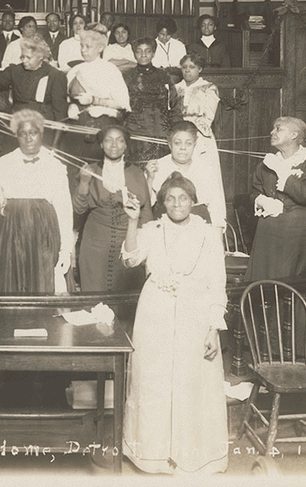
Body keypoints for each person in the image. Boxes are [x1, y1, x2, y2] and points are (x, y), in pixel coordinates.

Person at [121, 172, 228, 475]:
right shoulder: (152, 229)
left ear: (193, 201)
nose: (177, 203)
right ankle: (153, 455)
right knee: (154, 381)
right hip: (155, 312)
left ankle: (191, 456)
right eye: (170, 198)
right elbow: (130, 259)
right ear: (162, 202)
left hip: (196, 314)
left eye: (183, 198)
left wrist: (213, 327)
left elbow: (217, 282)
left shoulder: (208, 234)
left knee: (191, 382)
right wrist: (132, 221)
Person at [0, 110, 74, 294]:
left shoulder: (55, 166)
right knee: (10, 285)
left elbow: (64, 210)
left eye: (33, 132)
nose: (28, 138)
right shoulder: (3, 163)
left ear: (41, 133)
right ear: (16, 136)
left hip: (44, 234)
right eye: (22, 133)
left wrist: (65, 249)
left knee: (44, 283)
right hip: (9, 234)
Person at [245, 117, 306, 282]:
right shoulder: (267, 163)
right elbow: (255, 192)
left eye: (278, 128)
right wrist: (263, 201)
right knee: (266, 284)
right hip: (269, 235)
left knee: (294, 283)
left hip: (301, 234)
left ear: (293, 135)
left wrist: (283, 173)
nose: (272, 132)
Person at [73, 125, 151, 293]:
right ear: (101, 144)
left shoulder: (137, 173)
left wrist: (144, 246)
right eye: (108, 140)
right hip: (94, 246)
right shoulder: (90, 170)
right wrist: (84, 183)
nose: (114, 145)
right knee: (94, 297)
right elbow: (78, 210)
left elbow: (146, 214)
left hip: (128, 243)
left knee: (126, 300)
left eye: (119, 140)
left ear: (125, 145)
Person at [147, 120, 226, 237]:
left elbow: (217, 210)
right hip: (165, 229)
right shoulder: (158, 167)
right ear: (170, 144)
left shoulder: (206, 169)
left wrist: (217, 245)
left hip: (200, 230)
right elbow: (146, 206)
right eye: (177, 143)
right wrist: (149, 179)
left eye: (188, 143)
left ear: (195, 144)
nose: (183, 148)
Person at [67, 29, 131, 160]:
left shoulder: (110, 70)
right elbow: (68, 97)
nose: (83, 50)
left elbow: (122, 103)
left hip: (103, 124)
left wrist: (94, 100)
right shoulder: (74, 70)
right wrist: (70, 106)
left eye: (88, 46)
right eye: (81, 46)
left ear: (100, 48)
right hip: (78, 124)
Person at [0, 34, 68, 122]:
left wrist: (57, 137)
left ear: (40, 57)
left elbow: (60, 113)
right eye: (23, 56)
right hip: (18, 124)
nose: (24, 61)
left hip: (43, 127)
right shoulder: (15, 70)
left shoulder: (55, 76)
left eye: (29, 57)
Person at [123, 37, 182, 162]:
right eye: (139, 51)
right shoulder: (127, 76)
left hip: (160, 132)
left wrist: (177, 129)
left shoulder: (163, 75)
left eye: (147, 51)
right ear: (134, 54)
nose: (143, 54)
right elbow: (121, 105)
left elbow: (174, 104)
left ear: (153, 53)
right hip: (135, 132)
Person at [176, 52, 221, 172]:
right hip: (178, 133)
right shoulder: (175, 88)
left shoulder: (208, 88)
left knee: (201, 171)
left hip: (200, 134)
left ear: (200, 69)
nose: (187, 71)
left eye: (192, 67)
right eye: (184, 67)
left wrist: (190, 131)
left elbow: (208, 117)